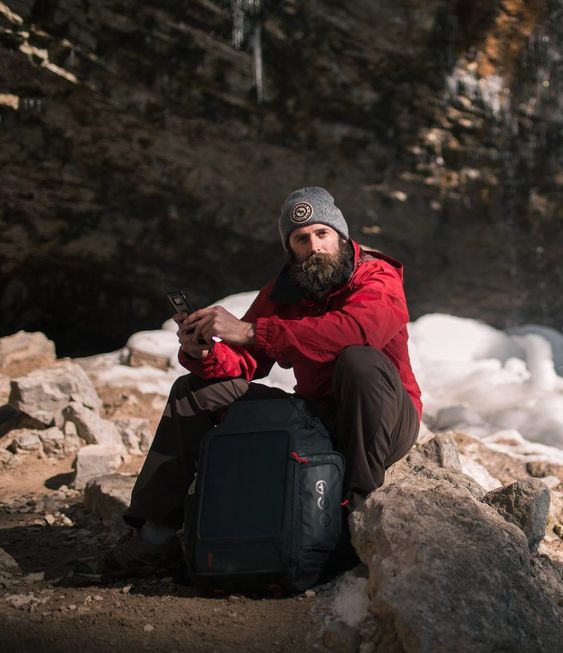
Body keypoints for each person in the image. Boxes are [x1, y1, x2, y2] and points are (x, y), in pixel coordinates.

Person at [96, 186, 422, 577]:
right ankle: (156, 536)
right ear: (291, 248)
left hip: (385, 420)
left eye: (322, 233)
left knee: (358, 360)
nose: (314, 246)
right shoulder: (286, 289)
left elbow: (355, 331)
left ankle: (358, 512)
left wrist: (250, 331)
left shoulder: (378, 276)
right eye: (301, 239)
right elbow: (247, 361)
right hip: (319, 419)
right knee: (192, 392)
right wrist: (204, 353)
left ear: (341, 235)